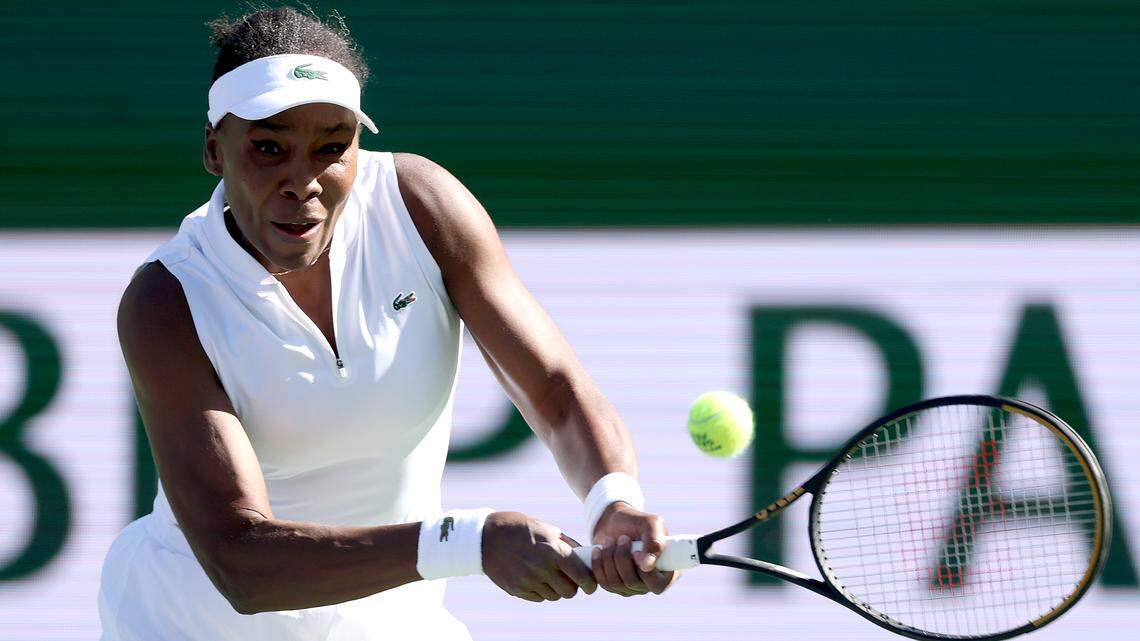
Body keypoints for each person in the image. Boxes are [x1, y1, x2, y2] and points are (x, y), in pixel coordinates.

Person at [97, 6, 676, 640]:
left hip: (395, 623)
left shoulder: (421, 206)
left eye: (331, 147)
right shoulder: (168, 300)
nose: (303, 181)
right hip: (192, 625)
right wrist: (470, 542)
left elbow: (555, 390)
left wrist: (613, 500)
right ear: (214, 149)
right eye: (268, 148)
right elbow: (241, 560)